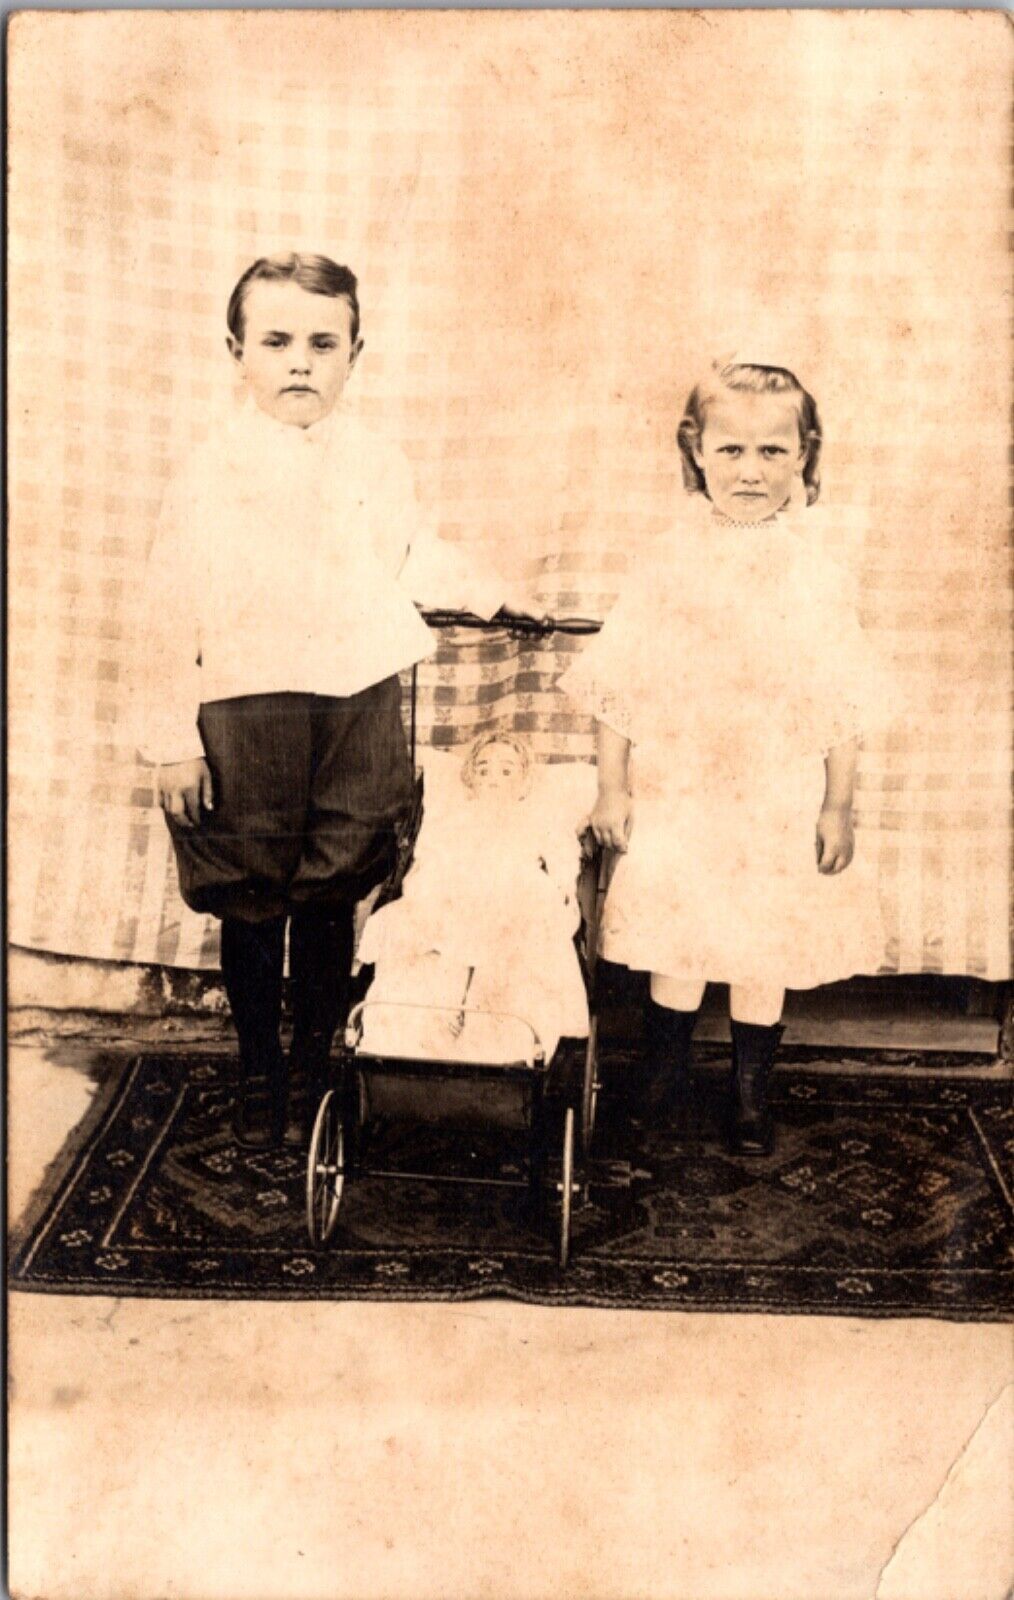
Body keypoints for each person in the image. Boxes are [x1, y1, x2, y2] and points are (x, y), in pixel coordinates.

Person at [133, 252, 500, 1150]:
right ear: (237, 352)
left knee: (334, 885)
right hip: (245, 710)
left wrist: (493, 592)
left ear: (355, 355)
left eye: (323, 343)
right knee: (254, 895)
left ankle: (317, 1060)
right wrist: (170, 739)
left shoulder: (378, 459)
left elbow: (407, 557)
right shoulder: (208, 471)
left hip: (356, 703)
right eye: (277, 341)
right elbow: (164, 610)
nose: (300, 361)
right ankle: (261, 1069)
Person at [562, 356, 889, 1156]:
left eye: (773, 452)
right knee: (677, 939)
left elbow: (842, 697)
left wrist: (836, 803)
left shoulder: (816, 573)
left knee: (761, 942)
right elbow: (620, 684)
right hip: (683, 783)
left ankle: (750, 1095)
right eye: (731, 450)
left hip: (774, 790)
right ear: (695, 450)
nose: (751, 470)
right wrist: (613, 787)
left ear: (805, 455)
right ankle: (662, 1081)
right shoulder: (666, 561)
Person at [358, 733, 589, 1064]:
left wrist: (563, 893)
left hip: (515, 893)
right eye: (483, 769)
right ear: (470, 779)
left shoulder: (536, 817)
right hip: (456, 893)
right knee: (411, 931)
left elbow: (563, 862)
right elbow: (430, 863)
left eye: (507, 771)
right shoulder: (455, 820)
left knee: (515, 944)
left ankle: (492, 1034)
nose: (493, 777)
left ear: (524, 782)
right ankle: (427, 1023)